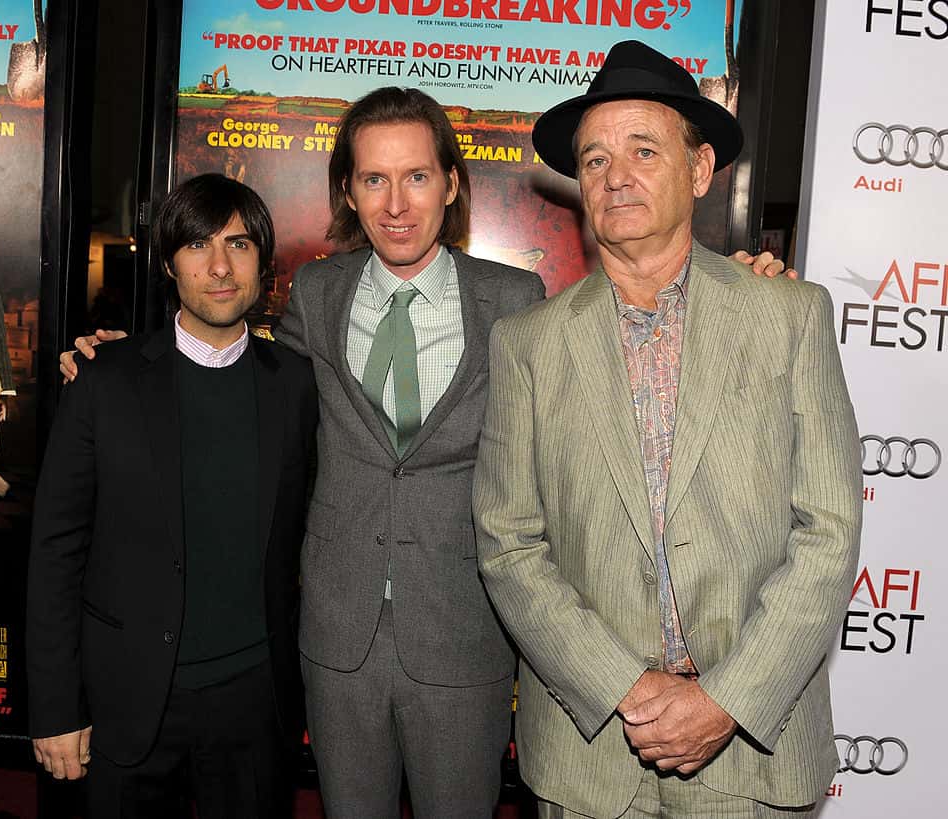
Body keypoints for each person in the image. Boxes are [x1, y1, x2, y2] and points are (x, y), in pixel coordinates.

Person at [60, 89, 791, 817]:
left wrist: (739, 285)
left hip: (463, 634)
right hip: (335, 637)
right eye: (374, 179)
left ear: (450, 183)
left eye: (416, 176)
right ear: (349, 190)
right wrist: (135, 361)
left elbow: (611, 365)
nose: (396, 203)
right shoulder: (317, 292)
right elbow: (245, 376)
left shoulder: (514, 298)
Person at [472, 40, 862, 819]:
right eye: (593, 160)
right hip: (590, 761)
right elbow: (508, 543)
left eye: (643, 150)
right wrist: (626, 687)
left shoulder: (788, 315)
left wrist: (727, 697)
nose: (615, 176)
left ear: (698, 169)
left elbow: (828, 529)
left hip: (753, 751)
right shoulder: (529, 345)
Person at [28, 174, 317, 818]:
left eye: (238, 245)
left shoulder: (295, 386)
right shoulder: (105, 382)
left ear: (263, 264)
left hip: (253, 706)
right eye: (197, 246)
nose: (219, 266)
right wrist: (54, 709)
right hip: (125, 701)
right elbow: (54, 556)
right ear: (168, 263)